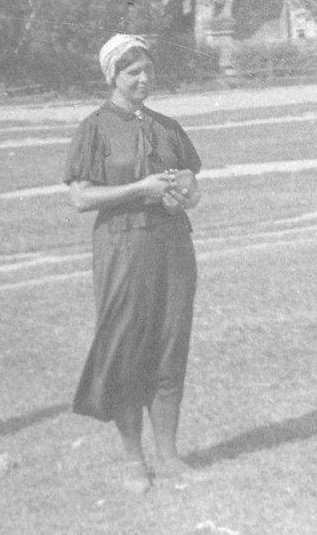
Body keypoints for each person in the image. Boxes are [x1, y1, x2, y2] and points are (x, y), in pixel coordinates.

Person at [65, 34, 203, 496]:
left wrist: (181, 193)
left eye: (147, 70)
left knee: (170, 348)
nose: (143, 80)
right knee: (126, 352)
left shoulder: (168, 126)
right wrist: (138, 190)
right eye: (132, 73)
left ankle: (168, 456)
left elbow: (194, 189)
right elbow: (81, 197)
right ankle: (134, 461)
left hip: (172, 248)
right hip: (123, 251)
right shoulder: (95, 128)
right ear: (113, 77)